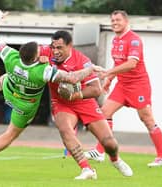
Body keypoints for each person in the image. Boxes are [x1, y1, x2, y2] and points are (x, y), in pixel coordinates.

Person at [0, 10, 104, 176]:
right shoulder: (43, 71)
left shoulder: (11, 56)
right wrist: (90, 69)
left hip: (10, 91)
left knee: (2, 80)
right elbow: (72, 78)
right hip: (25, 106)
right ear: (35, 57)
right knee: (10, 135)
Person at [38, 30, 133, 179]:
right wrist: (36, 58)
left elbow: (96, 90)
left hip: (84, 101)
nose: (55, 51)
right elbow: (28, 53)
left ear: (70, 46)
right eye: (53, 47)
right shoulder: (46, 51)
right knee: (65, 130)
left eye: (59, 48)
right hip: (62, 103)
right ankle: (87, 169)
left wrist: (75, 95)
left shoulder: (82, 61)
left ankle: (115, 160)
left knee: (109, 144)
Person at [84, 10, 162, 167]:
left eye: (118, 20)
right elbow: (118, 63)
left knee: (147, 119)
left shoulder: (134, 40)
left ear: (126, 22)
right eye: (112, 20)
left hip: (138, 86)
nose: (114, 23)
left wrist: (108, 72)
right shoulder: (116, 40)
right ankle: (100, 151)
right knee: (104, 113)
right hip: (122, 85)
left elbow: (131, 63)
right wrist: (109, 80)